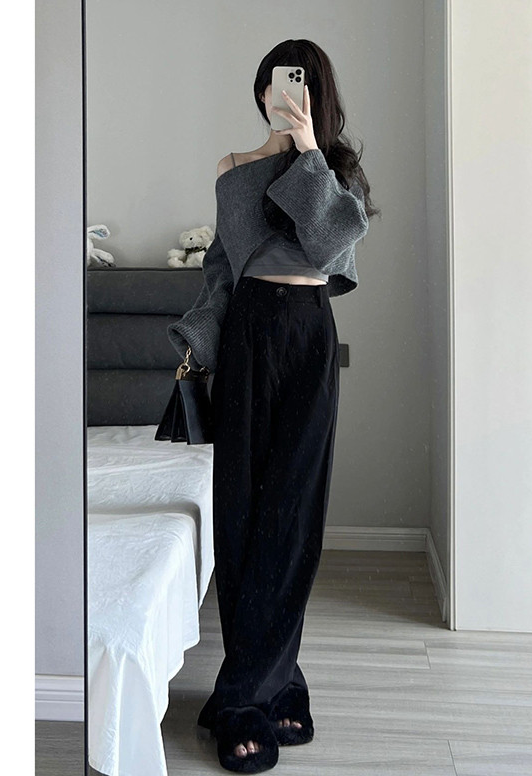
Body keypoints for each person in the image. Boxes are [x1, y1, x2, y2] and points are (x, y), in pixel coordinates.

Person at [167, 39, 378, 773]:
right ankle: (275, 683)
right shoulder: (231, 170)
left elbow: (330, 244)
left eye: (302, 85)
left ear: (316, 97)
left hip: (309, 335)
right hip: (250, 334)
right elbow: (222, 270)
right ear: (261, 91)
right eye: (278, 83)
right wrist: (198, 340)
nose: (286, 94)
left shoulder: (335, 173)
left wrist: (309, 150)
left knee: (294, 513)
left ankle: (244, 698)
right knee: (241, 513)